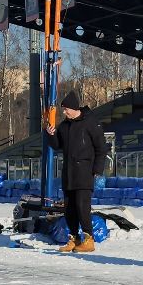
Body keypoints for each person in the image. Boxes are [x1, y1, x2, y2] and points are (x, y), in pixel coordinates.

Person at [45, 89, 108, 252]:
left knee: (82, 206)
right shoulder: (64, 126)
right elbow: (57, 145)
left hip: (85, 172)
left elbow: (101, 147)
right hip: (69, 173)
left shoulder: (90, 122)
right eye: (63, 109)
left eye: (66, 109)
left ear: (74, 108)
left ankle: (89, 238)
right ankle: (74, 238)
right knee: (69, 208)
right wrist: (51, 135)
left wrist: (97, 169)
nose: (64, 112)